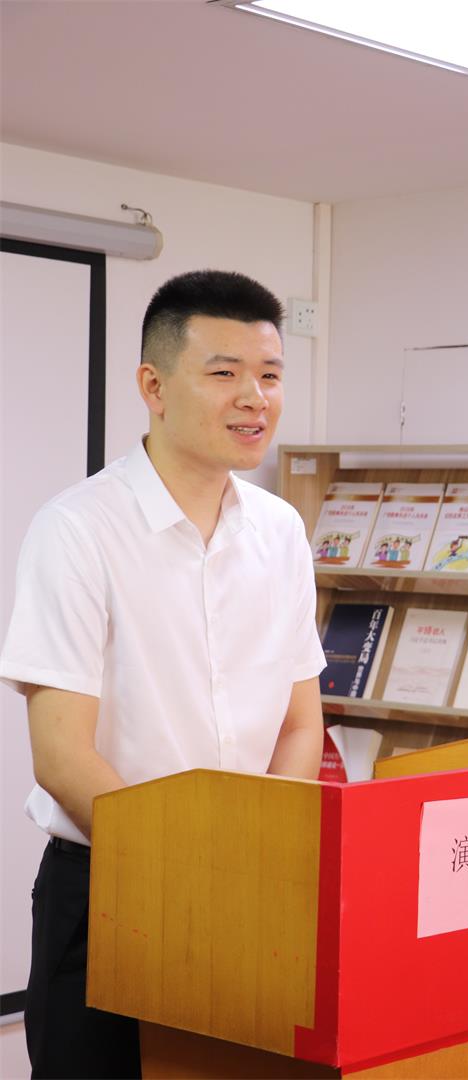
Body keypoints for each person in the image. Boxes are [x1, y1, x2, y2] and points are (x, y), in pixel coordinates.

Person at [0, 269, 326, 1079]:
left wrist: (256, 861)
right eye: (224, 373)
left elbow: (300, 724)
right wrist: (186, 870)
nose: (254, 398)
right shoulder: (78, 529)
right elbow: (62, 757)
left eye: (270, 375)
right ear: (153, 386)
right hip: (110, 885)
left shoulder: (281, 531)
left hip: (250, 888)